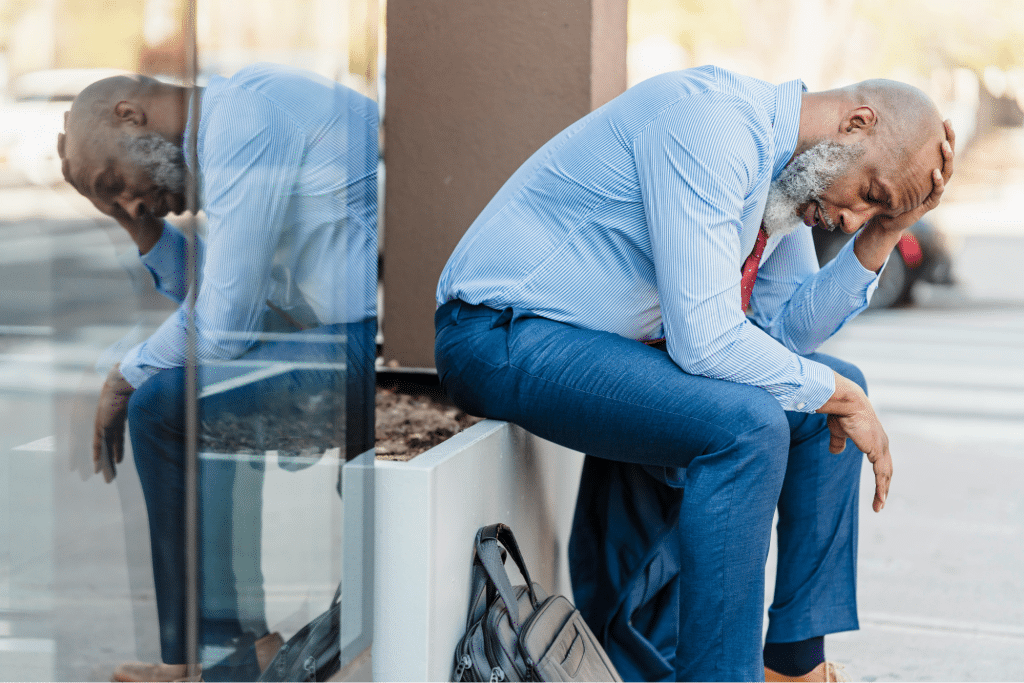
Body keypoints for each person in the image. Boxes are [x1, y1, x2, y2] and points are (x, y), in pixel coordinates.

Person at [434, 65, 954, 682]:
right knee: (754, 422)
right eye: (869, 193)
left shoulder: (783, 184)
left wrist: (886, 232)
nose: (851, 220)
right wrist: (830, 395)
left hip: (592, 347)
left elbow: (783, 335)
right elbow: (707, 341)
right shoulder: (711, 127)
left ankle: (794, 667)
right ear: (857, 124)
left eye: (874, 210)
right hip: (499, 330)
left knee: (831, 393)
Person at [57, 63, 378, 682]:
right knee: (191, 397)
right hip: (325, 338)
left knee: (169, 405)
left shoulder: (247, 116)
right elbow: (225, 307)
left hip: (367, 344)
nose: (133, 200)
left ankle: (217, 658)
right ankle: (225, 652)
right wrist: (140, 227)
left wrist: (123, 377)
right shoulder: (232, 125)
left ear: (130, 114)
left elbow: (225, 325)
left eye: (115, 182)